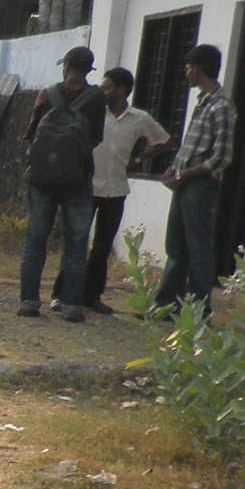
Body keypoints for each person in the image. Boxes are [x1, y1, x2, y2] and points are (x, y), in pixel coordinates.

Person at [19, 45, 107, 323]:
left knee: (36, 240)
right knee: (77, 242)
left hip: (42, 180)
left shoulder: (46, 94)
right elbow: (95, 138)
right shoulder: (96, 99)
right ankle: (71, 305)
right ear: (89, 70)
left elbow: (31, 136)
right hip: (77, 180)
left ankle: (29, 301)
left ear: (65, 65)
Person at [154, 43, 237, 316]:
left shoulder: (222, 106)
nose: (186, 74)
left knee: (198, 248)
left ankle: (199, 309)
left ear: (199, 69)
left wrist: (187, 174)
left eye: (189, 68)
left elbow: (221, 157)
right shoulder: (202, 103)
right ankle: (167, 304)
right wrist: (174, 169)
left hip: (201, 184)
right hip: (185, 180)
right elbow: (191, 147)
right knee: (175, 245)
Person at [80, 67, 172, 313]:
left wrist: (140, 160)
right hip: (88, 187)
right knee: (78, 241)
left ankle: (92, 295)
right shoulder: (95, 113)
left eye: (107, 87)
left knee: (102, 245)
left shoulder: (139, 119)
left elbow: (165, 141)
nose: (102, 92)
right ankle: (67, 292)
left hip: (116, 189)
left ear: (121, 91)